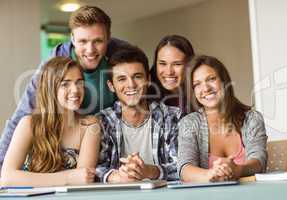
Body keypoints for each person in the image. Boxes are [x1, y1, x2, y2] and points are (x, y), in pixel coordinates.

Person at [0, 5, 128, 171]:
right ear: (72, 39)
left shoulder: (120, 56)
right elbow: (22, 115)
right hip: (60, 151)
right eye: (82, 41)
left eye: (98, 41)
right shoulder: (55, 64)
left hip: (104, 150)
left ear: (108, 39)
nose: (90, 50)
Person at [1, 57, 100, 187]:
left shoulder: (90, 125)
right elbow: (7, 177)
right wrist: (68, 177)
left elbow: (83, 180)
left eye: (79, 83)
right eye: (65, 84)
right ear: (50, 89)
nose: (75, 90)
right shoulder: (29, 124)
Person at [96, 45, 181, 183]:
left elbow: (183, 167)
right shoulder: (102, 121)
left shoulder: (172, 117)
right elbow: (94, 168)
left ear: (148, 79)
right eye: (122, 79)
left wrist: (149, 171)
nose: (131, 85)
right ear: (111, 85)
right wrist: (118, 176)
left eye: (137, 76)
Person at [178, 55, 267, 182]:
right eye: (197, 84)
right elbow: (184, 169)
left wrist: (237, 170)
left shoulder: (252, 119)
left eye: (211, 79)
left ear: (225, 81)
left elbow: (259, 161)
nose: (206, 88)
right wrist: (211, 174)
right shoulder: (189, 123)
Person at [148, 35, 194, 114]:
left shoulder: (201, 92)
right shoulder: (146, 97)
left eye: (177, 64)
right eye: (162, 63)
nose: (169, 72)